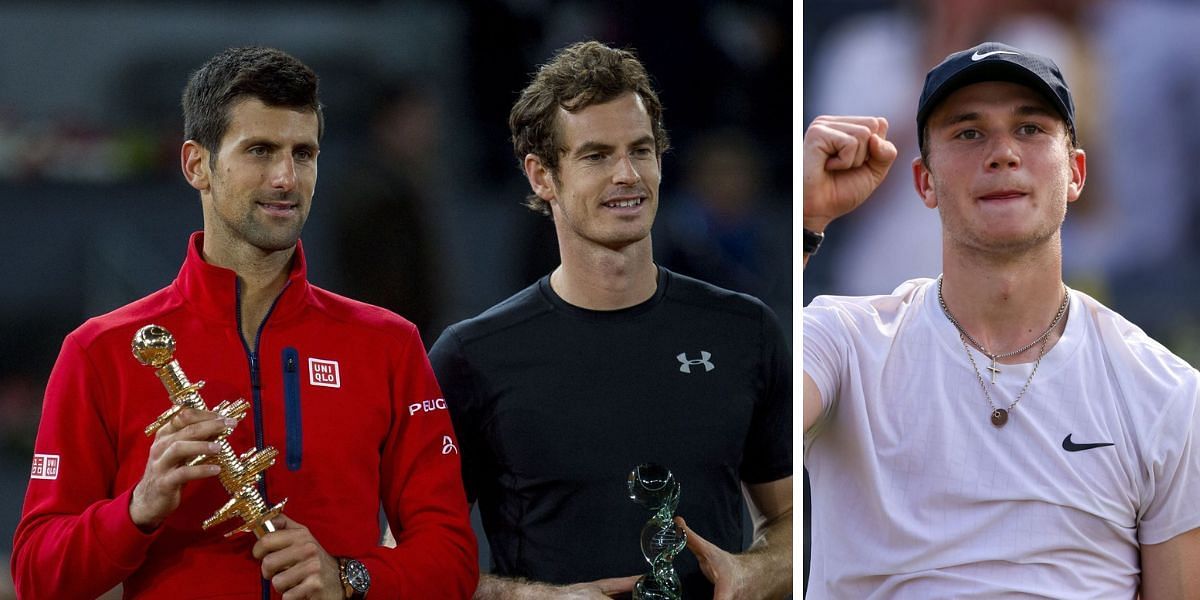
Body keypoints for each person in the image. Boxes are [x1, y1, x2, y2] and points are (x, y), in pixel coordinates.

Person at [11, 46, 478, 599]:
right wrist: (139, 508)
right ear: (196, 165)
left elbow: (451, 554)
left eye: (303, 154)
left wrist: (351, 577)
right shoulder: (101, 349)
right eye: (259, 150)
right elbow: (38, 575)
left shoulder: (388, 344)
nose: (286, 177)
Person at [803, 42, 1200, 597]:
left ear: (1076, 172)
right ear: (925, 182)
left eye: (1031, 129)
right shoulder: (844, 340)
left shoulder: (1165, 392)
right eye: (968, 133)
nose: (1003, 153)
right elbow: (750, 419)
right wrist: (806, 218)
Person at [429, 41, 793, 599]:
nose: (628, 174)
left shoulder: (744, 331)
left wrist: (757, 572)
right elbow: (405, 559)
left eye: (641, 150)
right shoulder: (473, 357)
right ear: (541, 176)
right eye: (596, 155)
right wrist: (536, 598)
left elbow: (798, 520)